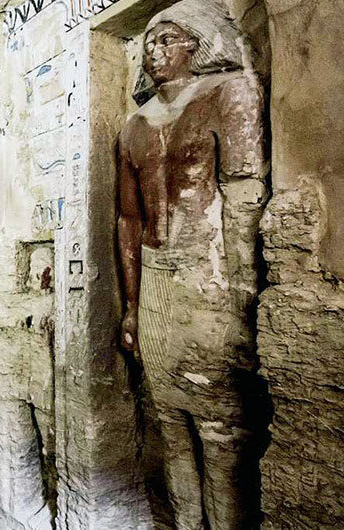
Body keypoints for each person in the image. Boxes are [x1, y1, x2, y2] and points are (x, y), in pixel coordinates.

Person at [116, 2, 267, 528]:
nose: (155, 51)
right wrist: (131, 307)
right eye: (150, 43)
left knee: (221, 430)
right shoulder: (133, 127)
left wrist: (246, 292)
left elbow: (244, 195)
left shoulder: (229, 94)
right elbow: (127, 220)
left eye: (169, 39)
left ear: (197, 46)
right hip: (157, 284)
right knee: (169, 423)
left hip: (212, 279)